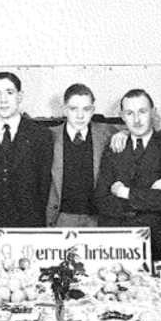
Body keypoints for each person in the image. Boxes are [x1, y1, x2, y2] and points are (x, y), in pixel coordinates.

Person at [0, 71, 53, 266]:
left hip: (26, 227)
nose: (3, 100)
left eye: (9, 93)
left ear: (20, 96)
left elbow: (43, 186)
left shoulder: (40, 136)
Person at [96, 89, 161, 260]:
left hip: (156, 241)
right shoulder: (114, 147)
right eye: (130, 113)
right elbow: (102, 200)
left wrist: (125, 193)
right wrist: (148, 195)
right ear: (122, 116)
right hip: (117, 241)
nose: (137, 120)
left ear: (153, 113)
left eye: (142, 112)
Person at [46, 83, 116, 229]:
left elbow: (134, 132)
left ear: (93, 110)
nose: (80, 115)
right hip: (62, 217)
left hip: (97, 219)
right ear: (64, 110)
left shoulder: (106, 133)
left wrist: (124, 133)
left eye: (86, 109)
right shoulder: (49, 136)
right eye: (73, 109)